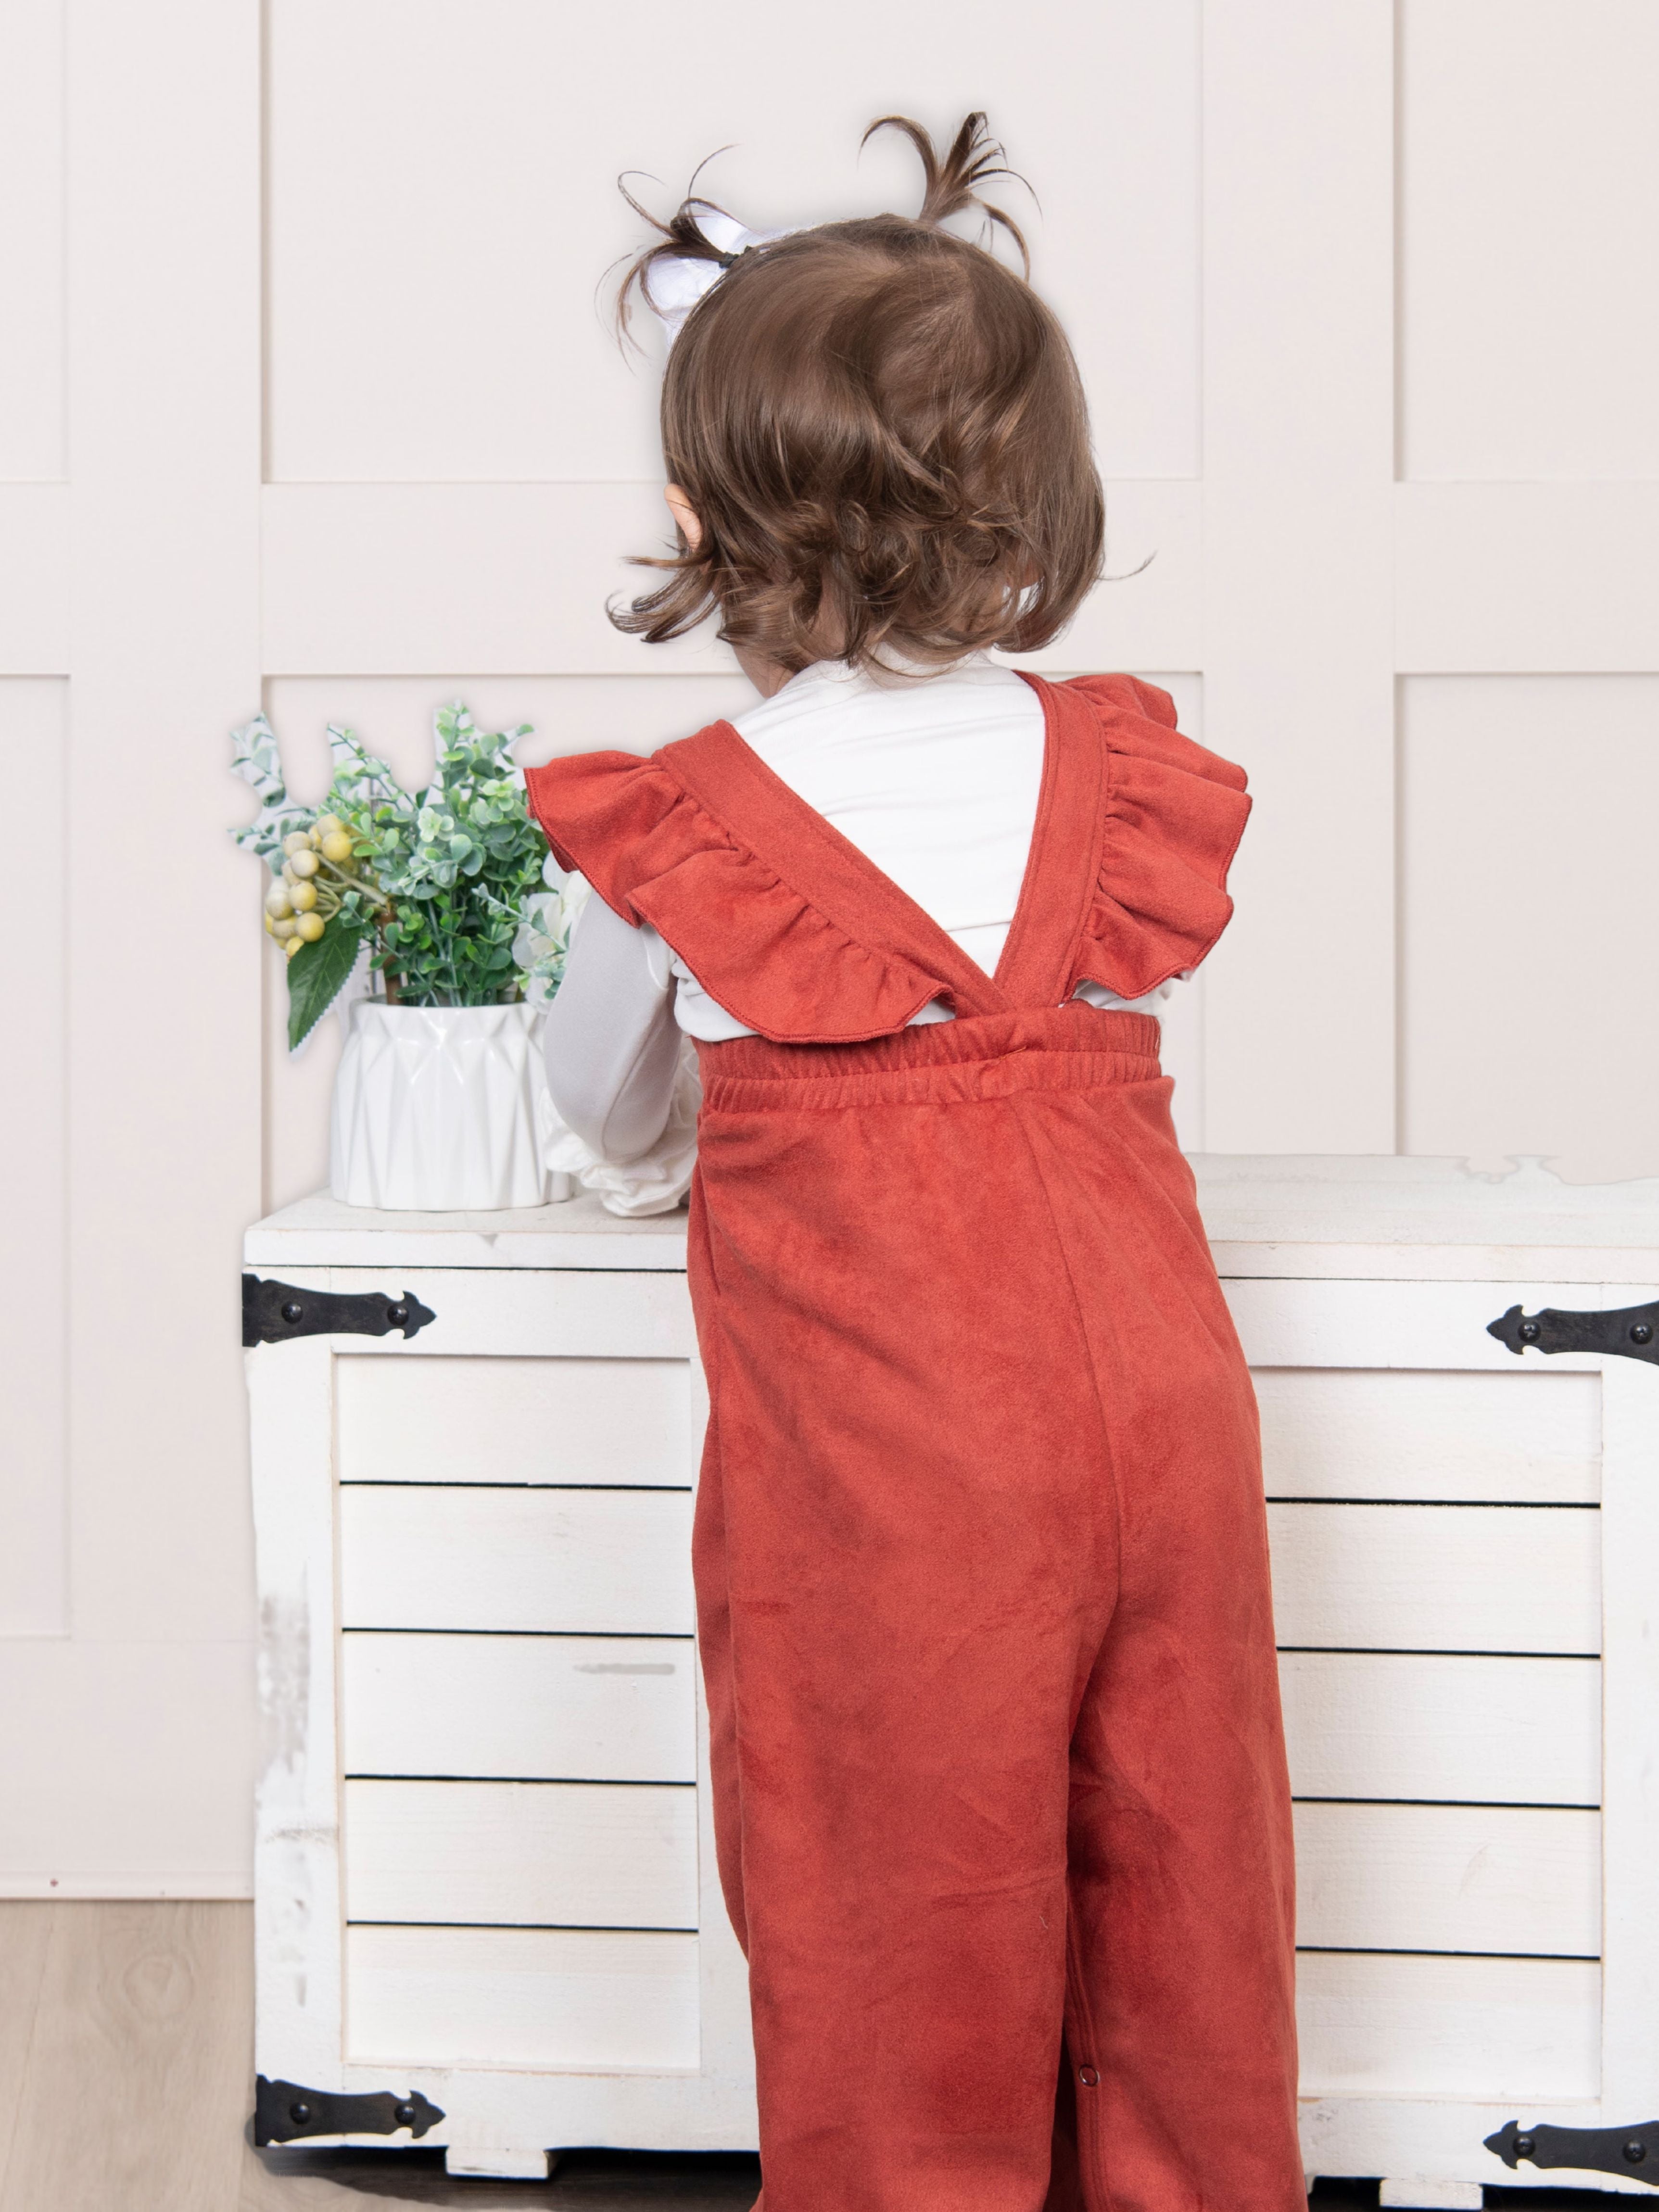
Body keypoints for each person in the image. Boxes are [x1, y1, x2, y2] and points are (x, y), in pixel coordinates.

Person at [526, 114, 1303, 2212]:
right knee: (1180, 1889)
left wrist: (664, 1133)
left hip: (891, 1491)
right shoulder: (1111, 770)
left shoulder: (692, 829)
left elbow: (599, 1104)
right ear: (1030, 509)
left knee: (895, 1910)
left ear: (698, 516)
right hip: (1166, 1431)